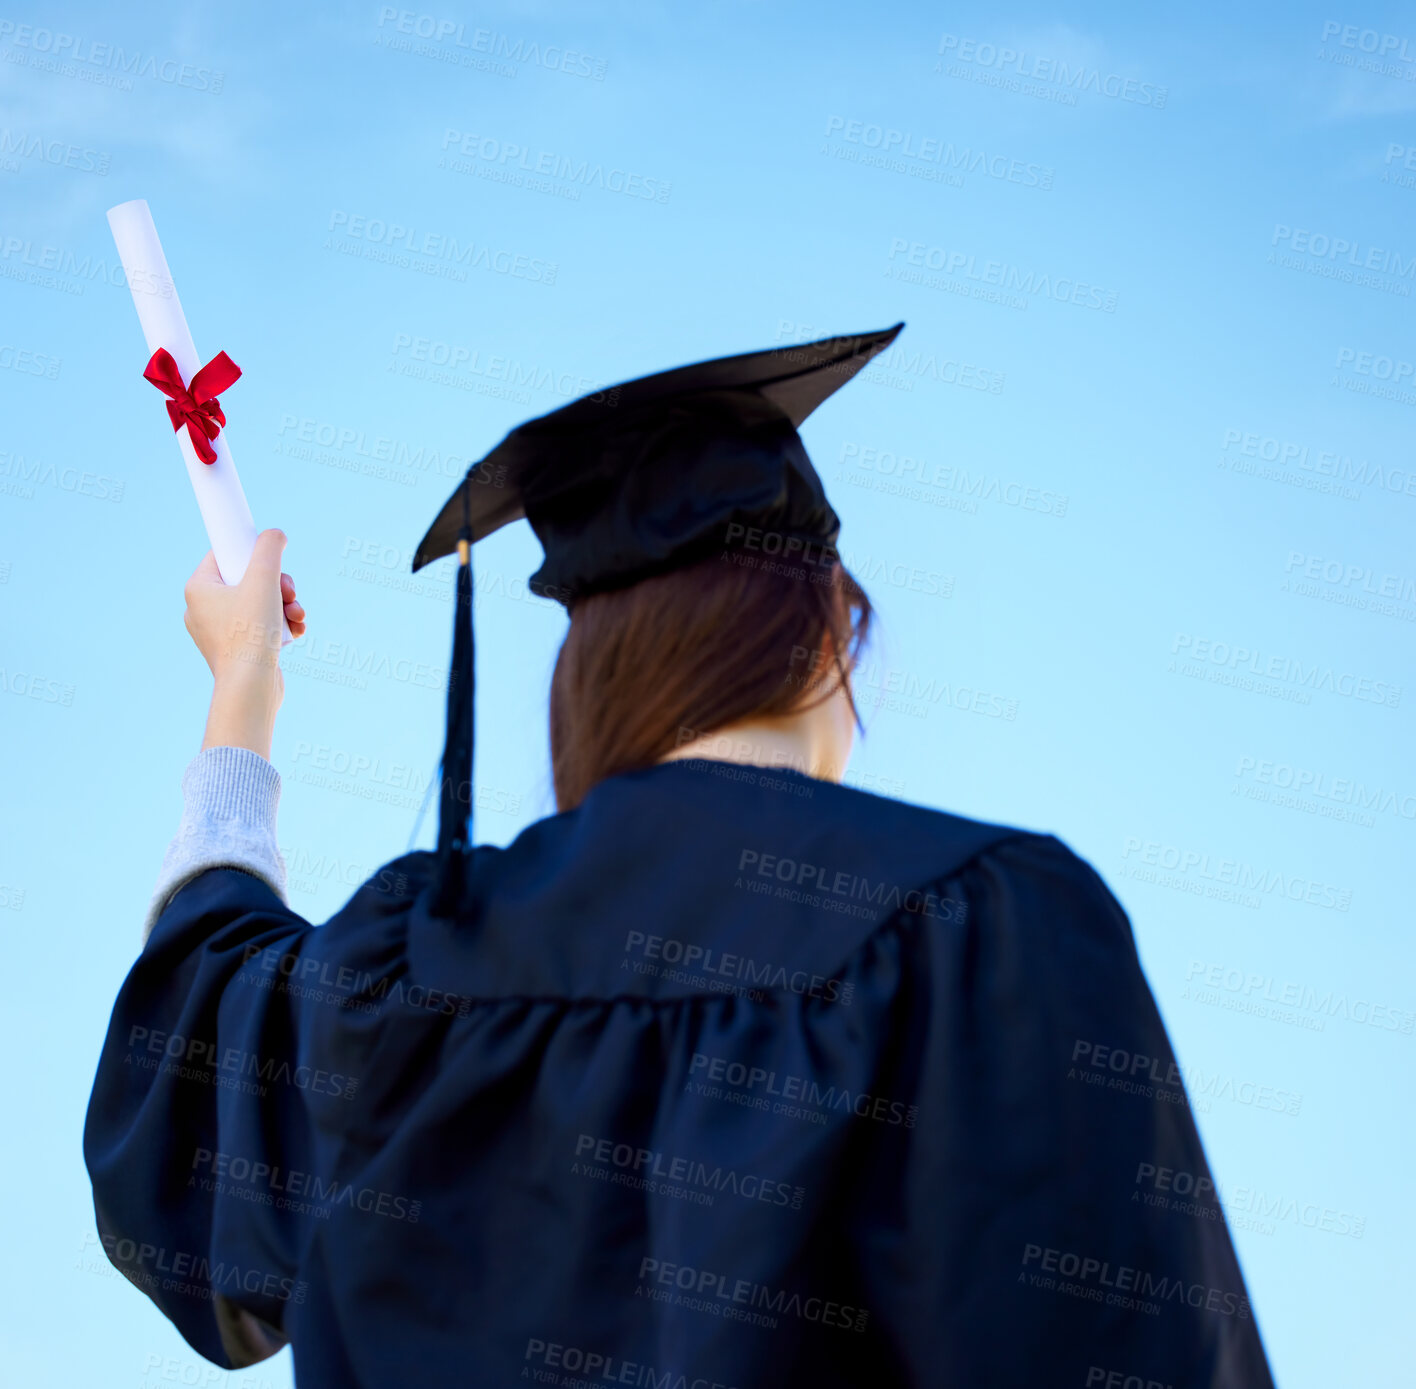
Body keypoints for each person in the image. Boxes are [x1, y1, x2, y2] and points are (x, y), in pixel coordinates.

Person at [85, 327, 1276, 1388]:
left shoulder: (408, 963)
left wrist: (244, 680)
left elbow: (191, 1060)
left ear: (589, 689)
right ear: (825, 645)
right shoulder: (986, 924)